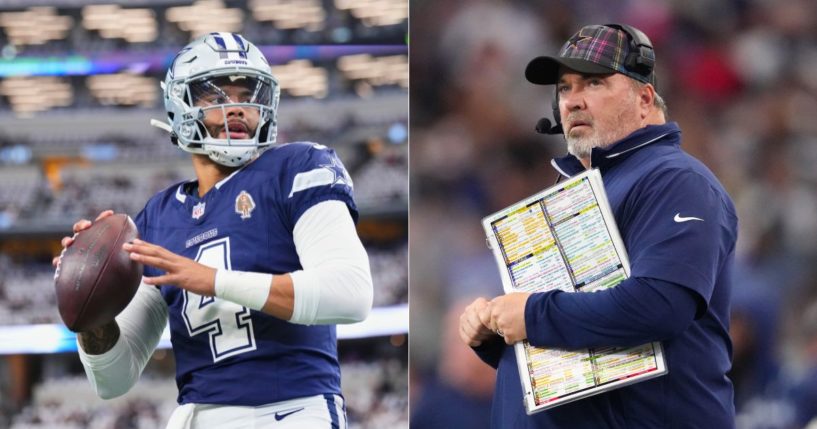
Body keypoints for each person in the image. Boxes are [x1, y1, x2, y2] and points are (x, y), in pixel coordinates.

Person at [53, 32, 373, 429]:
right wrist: (89, 303)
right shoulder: (157, 217)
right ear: (179, 106)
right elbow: (114, 380)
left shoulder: (299, 167)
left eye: (248, 93)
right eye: (216, 95)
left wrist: (213, 280)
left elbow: (352, 293)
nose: (237, 107)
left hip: (293, 411)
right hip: (198, 417)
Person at [459, 24, 738, 428]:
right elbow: (579, 331)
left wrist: (532, 314)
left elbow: (661, 305)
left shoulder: (676, 180)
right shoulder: (578, 190)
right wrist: (500, 330)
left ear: (645, 99)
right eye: (565, 88)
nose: (573, 101)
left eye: (593, 83)